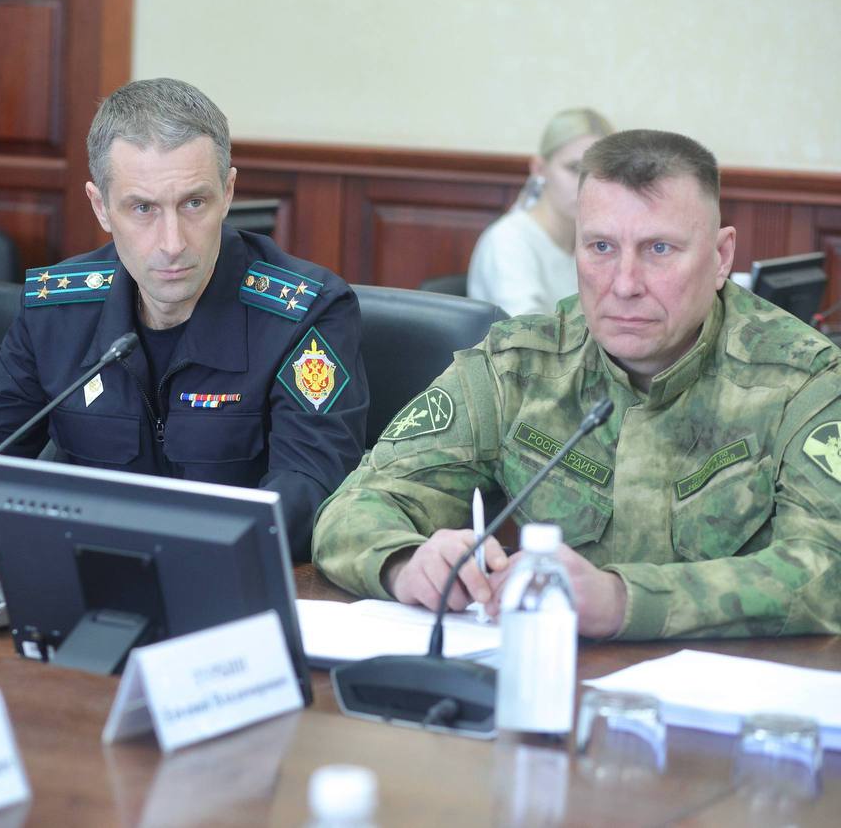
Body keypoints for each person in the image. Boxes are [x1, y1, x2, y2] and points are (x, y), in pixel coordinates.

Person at [314, 129, 841, 640]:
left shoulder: (804, 378)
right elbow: (353, 506)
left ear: (721, 257)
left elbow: (827, 566)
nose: (625, 284)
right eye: (601, 246)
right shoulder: (518, 367)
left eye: (659, 249)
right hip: (547, 675)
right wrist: (407, 563)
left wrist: (622, 601)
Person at [0, 78, 368, 560]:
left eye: (194, 204)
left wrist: (194, 547)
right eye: (142, 208)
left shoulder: (305, 314)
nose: (172, 242)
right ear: (101, 207)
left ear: (227, 194)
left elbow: (309, 485)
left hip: (235, 582)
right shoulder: (60, 308)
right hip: (90, 579)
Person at [466, 108, 613, 316]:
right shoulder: (507, 240)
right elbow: (528, 332)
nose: (586, 184)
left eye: (600, 173)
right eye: (574, 168)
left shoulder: (598, 241)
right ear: (539, 169)